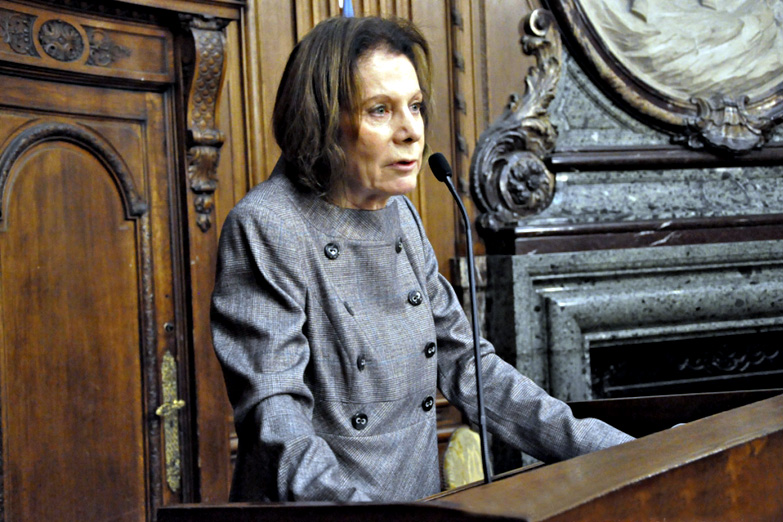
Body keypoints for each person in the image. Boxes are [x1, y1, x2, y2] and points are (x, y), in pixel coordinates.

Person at [210, 15, 633, 503]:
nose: (411, 131)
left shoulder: (402, 216)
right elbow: (275, 415)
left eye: (415, 106)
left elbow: (468, 366)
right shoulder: (267, 224)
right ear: (322, 120)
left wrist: (607, 447)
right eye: (379, 110)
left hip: (419, 502)